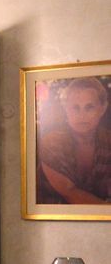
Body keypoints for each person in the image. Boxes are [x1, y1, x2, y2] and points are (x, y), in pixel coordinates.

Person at [37, 76, 111, 204]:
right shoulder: (52, 142)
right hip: (52, 215)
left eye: (89, 107)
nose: (82, 115)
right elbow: (70, 192)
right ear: (66, 109)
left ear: (102, 109)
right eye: (75, 107)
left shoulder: (108, 141)